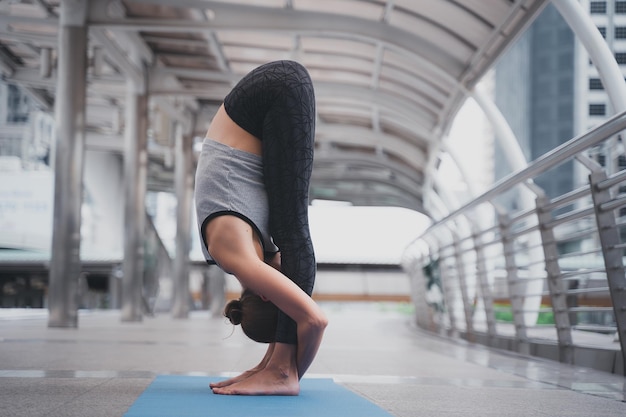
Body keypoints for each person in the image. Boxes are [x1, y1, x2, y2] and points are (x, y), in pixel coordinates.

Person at [194, 60, 328, 396]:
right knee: (290, 232)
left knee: (294, 232)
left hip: (273, 91)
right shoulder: (252, 247)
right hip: (269, 94)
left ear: (268, 292)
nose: (297, 284)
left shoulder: (237, 256)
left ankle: (280, 370)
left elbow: (314, 320)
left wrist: (289, 372)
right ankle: (275, 366)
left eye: (288, 291)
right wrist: (264, 365)